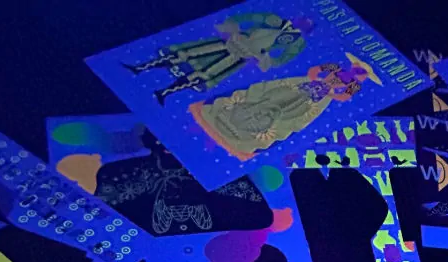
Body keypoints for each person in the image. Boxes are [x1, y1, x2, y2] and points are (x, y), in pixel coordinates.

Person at [189, 54, 382, 162]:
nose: (358, 72)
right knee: (270, 96)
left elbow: (344, 97)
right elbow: (314, 70)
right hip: (302, 85)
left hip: (318, 99)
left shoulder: (354, 85)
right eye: (359, 68)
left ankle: (245, 138)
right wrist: (315, 79)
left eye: (362, 72)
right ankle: (225, 115)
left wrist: (331, 93)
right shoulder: (335, 67)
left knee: (289, 116)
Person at [123, 14, 313, 105]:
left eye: (302, 27)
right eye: (299, 23)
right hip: (233, 42)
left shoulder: (296, 43)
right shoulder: (275, 21)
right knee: (188, 54)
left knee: (205, 74)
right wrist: (234, 27)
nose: (298, 26)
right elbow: (250, 17)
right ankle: (141, 67)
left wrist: (266, 58)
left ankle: (165, 92)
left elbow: (283, 59)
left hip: (241, 56)